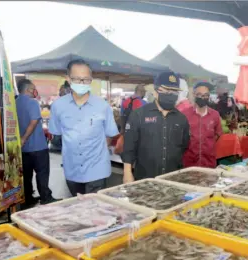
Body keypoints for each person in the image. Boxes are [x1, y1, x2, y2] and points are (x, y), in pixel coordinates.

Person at [48, 59, 119, 196]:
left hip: (97, 169)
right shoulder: (58, 106)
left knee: (96, 211)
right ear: (68, 79)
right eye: (77, 79)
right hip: (72, 169)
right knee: (78, 210)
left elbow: (110, 134)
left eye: (86, 80)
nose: (82, 83)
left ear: (91, 80)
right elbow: (57, 133)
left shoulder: (102, 106)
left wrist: (97, 152)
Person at [122, 72, 190, 182]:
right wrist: (127, 173)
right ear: (155, 92)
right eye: (166, 90)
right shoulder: (139, 115)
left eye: (174, 91)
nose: (171, 94)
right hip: (145, 179)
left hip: (173, 180)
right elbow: (129, 148)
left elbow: (184, 146)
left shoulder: (181, 119)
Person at [16, 79, 58, 208]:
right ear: (28, 90)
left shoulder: (14, 102)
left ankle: (28, 198)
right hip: (37, 146)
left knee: (27, 175)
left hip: (23, 149)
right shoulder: (32, 102)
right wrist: (25, 138)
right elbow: (34, 121)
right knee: (42, 173)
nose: (35, 91)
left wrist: (21, 140)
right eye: (34, 88)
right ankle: (46, 197)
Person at [182, 82, 222, 168]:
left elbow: (218, 134)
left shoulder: (215, 115)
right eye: (199, 94)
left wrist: (206, 144)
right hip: (189, 164)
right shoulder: (185, 114)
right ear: (194, 95)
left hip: (209, 163)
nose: (203, 97)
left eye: (206, 95)